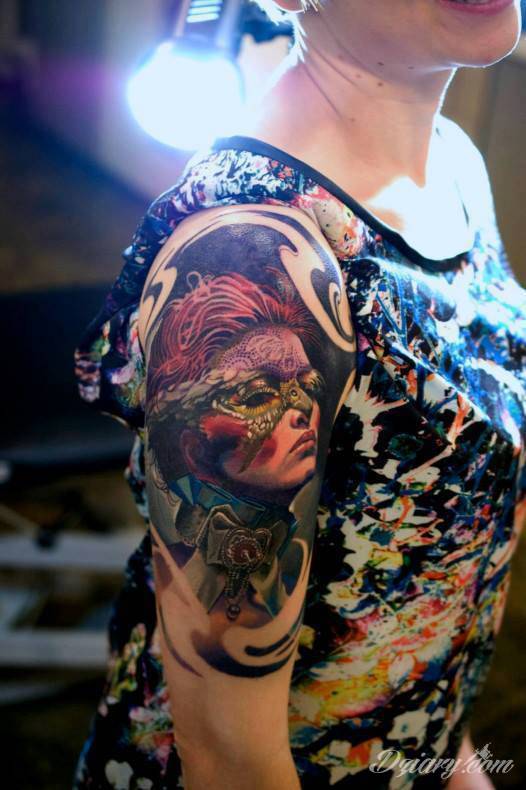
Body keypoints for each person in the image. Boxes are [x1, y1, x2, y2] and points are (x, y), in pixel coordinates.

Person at [73, 0, 526, 788]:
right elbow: (230, 757)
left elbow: (426, 584)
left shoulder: (452, 162)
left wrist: (453, 760)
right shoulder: (255, 257)